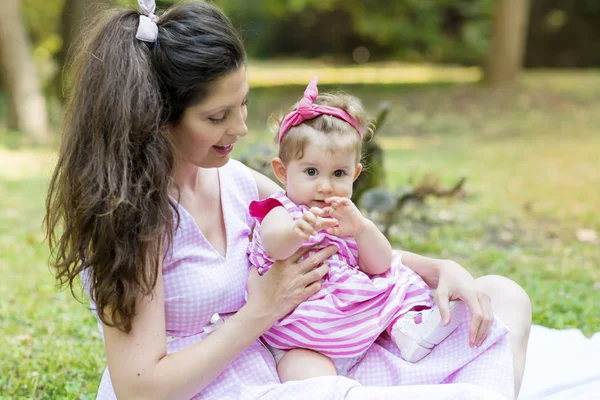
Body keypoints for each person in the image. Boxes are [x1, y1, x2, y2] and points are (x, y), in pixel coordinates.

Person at [44, 1, 531, 399]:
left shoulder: (235, 181)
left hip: (286, 367)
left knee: (501, 297)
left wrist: (437, 267)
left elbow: (329, 236)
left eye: (244, 104)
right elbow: (139, 388)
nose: (240, 128)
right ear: (157, 117)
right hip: (213, 387)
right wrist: (262, 311)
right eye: (217, 117)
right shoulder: (135, 220)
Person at [247, 77, 469, 382]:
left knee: (400, 276)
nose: (325, 186)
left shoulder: (346, 216)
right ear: (282, 172)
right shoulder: (280, 209)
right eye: (311, 172)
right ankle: (326, 385)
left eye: (338, 173)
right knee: (307, 378)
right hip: (304, 334)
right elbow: (274, 245)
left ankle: (409, 329)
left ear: (355, 174)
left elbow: (380, 264)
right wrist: (297, 232)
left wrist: (362, 230)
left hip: (356, 321)